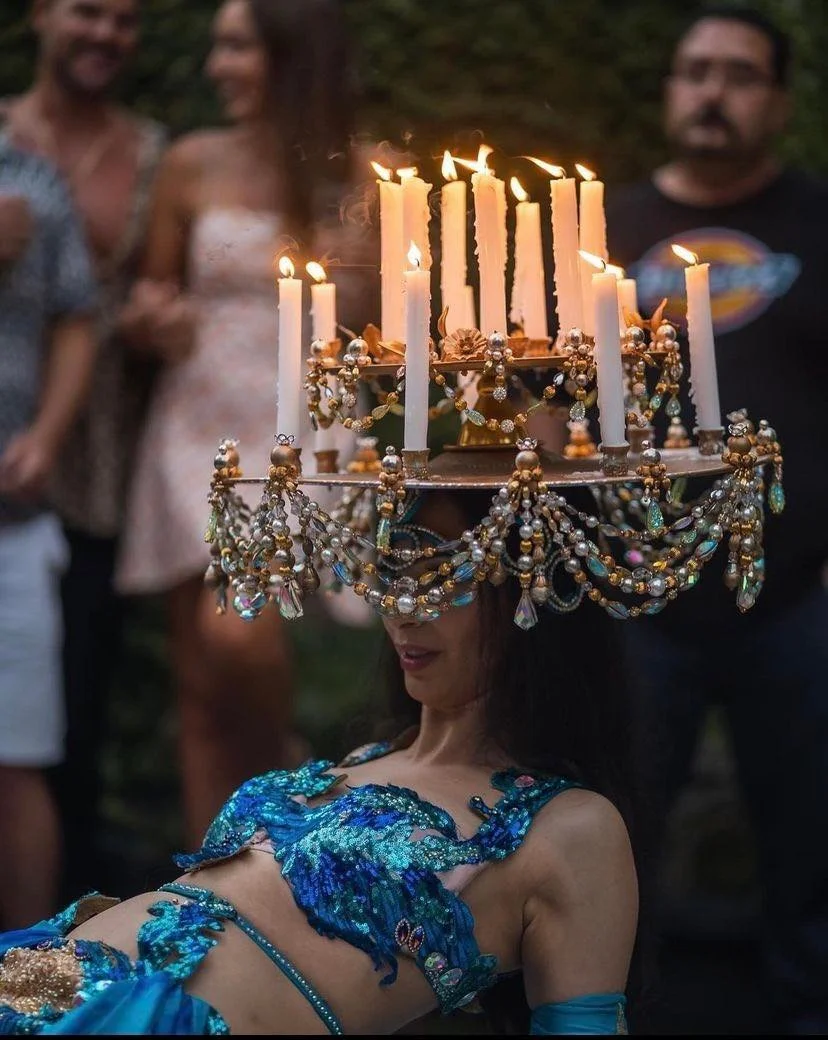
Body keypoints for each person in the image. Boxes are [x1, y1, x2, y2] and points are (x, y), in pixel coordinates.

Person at [0, 487, 639, 1035]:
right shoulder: (361, 761)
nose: (404, 605)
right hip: (45, 972)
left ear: (534, 584)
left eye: (443, 572)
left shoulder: (572, 828)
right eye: (394, 568)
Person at [605, 5, 828, 1033]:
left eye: (739, 74)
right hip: (637, 594)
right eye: (694, 70)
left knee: (813, 841)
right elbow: (555, 405)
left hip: (798, 595)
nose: (710, 91)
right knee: (609, 839)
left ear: (779, 100)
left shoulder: (819, 223)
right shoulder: (605, 232)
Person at [115, 0, 359, 846]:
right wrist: (152, 318)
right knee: (200, 683)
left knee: (242, 641)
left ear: (293, 55)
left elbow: (399, 322)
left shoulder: (360, 171)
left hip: (303, 431)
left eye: (239, 47)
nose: (218, 66)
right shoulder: (190, 163)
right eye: (217, 46)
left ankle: (274, 816)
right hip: (199, 429)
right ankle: (206, 884)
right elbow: (149, 294)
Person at [0, 0, 167, 901]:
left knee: (57, 723)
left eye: (126, 20)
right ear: (39, 15)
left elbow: (89, 310)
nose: (106, 33)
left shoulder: (148, 155)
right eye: (87, 11)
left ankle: (41, 968)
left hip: (91, 465)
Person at [0, 141, 97, 928]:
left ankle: (24, 988)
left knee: (18, 763)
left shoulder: (34, 175)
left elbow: (76, 316)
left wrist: (48, 436)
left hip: (13, 525)